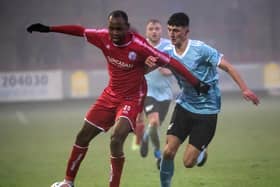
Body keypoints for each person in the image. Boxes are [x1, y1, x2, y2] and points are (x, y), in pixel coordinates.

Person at [26, 10, 209, 187]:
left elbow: (172, 62)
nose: (114, 32)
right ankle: (68, 182)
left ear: (127, 28)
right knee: (82, 136)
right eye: (112, 28)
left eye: (119, 28)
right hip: (110, 95)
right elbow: (80, 31)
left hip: (132, 97)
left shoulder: (139, 46)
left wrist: (196, 83)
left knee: (116, 138)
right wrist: (49, 28)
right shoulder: (103, 37)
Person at [145, 12, 260, 187]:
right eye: (169, 30)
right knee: (168, 152)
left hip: (208, 110)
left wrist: (245, 89)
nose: (172, 34)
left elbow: (227, 66)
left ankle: (201, 151)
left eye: (176, 30)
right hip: (184, 105)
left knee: (188, 163)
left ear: (186, 31)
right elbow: (146, 68)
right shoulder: (167, 52)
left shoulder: (201, 49)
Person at [131, 19, 174, 170]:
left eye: (156, 28)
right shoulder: (141, 46)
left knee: (154, 127)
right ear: (146, 31)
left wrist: (168, 71)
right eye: (151, 29)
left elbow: (177, 66)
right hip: (148, 92)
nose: (154, 31)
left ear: (161, 31)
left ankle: (145, 137)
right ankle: (158, 154)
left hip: (166, 94)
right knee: (154, 122)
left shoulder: (169, 46)